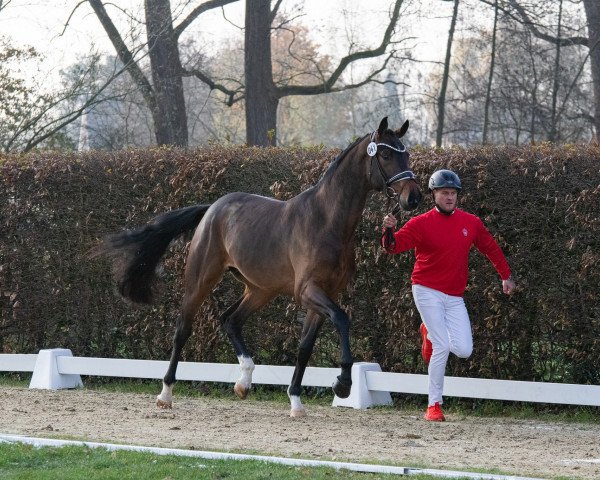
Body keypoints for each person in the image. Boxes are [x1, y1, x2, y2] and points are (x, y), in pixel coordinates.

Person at [381, 169, 516, 422]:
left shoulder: (471, 223)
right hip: (426, 289)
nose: (450, 197)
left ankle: (429, 334)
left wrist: (505, 275)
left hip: (454, 296)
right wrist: (388, 230)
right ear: (434, 194)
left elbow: (491, 248)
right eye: (445, 192)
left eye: (453, 193)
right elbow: (393, 247)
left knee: (464, 350)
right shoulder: (420, 223)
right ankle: (434, 405)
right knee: (443, 345)